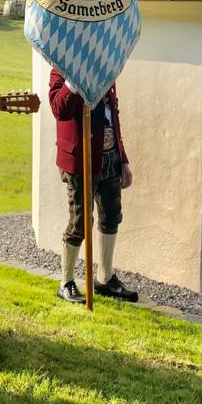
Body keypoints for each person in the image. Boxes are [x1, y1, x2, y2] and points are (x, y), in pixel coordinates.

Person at [49, 69, 138, 303]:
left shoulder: (106, 69)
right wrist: (73, 81)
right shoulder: (61, 68)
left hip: (109, 157)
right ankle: (66, 282)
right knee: (80, 222)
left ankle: (104, 279)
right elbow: (59, 109)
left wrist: (123, 158)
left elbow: (113, 117)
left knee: (111, 217)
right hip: (80, 159)